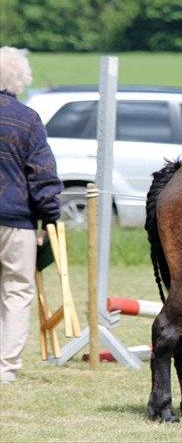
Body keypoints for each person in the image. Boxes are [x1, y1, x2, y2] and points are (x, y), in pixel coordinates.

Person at [0, 46, 63, 384]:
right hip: (16, 222)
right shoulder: (27, 120)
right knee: (17, 290)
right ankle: (5, 368)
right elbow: (42, 175)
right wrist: (50, 217)